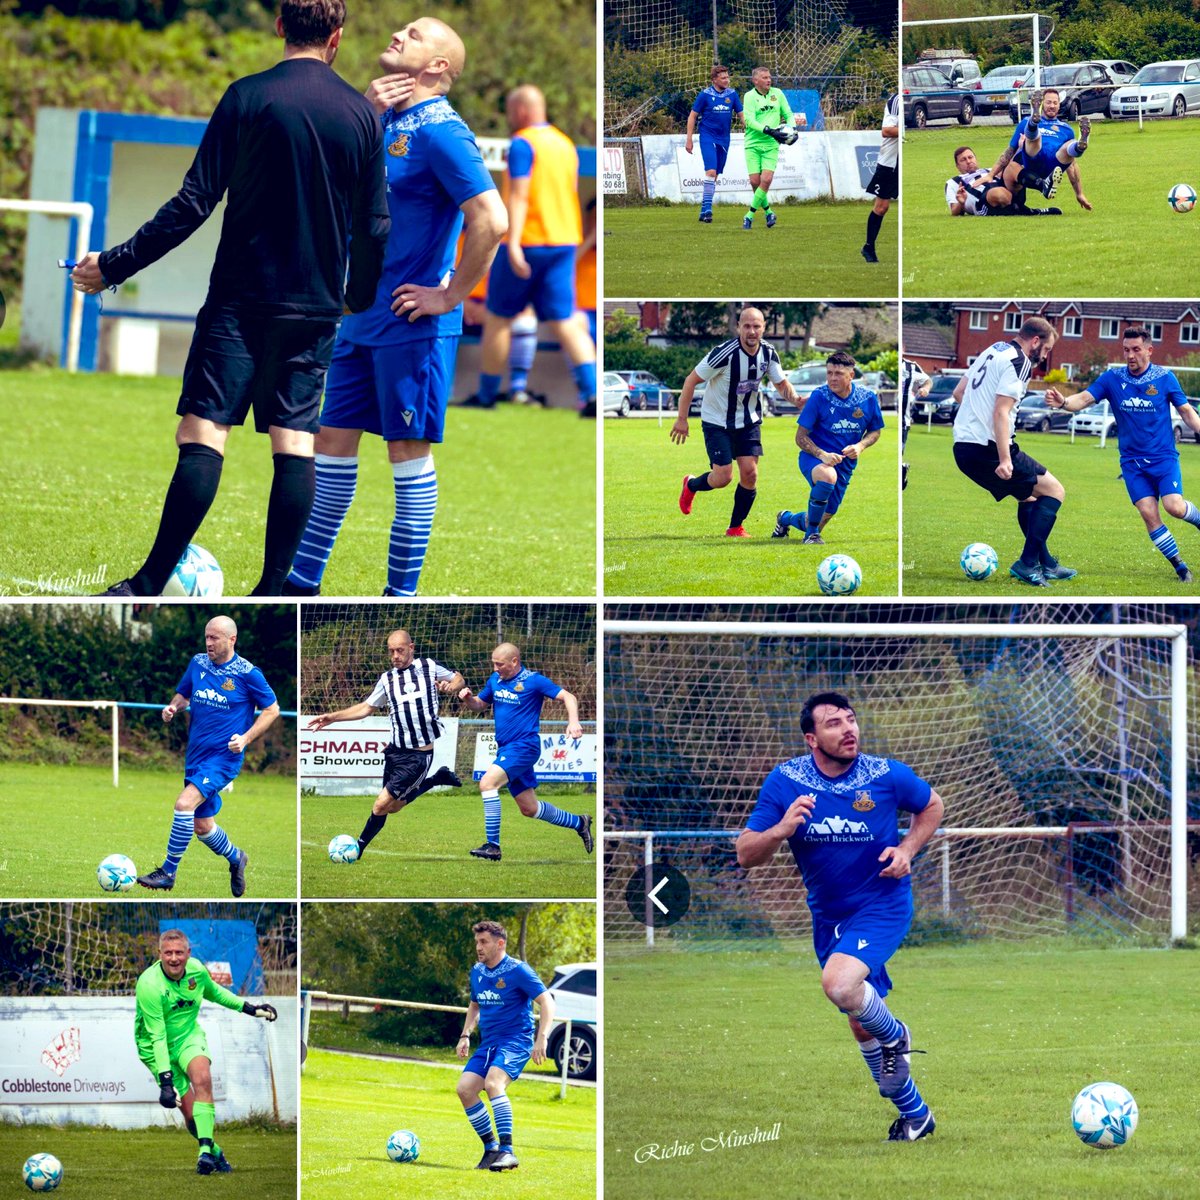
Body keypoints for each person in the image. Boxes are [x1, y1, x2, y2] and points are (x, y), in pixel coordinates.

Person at [76, 0, 390, 598]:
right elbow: (374, 225)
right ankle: (276, 590)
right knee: (295, 443)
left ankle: (146, 584)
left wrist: (114, 264)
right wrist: (356, 296)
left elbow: (192, 203)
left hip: (238, 304)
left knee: (202, 435)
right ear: (337, 37)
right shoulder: (362, 115)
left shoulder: (246, 97)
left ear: (279, 26)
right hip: (315, 309)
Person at [283, 16, 507, 598]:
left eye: (415, 33)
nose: (398, 34)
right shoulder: (381, 117)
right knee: (329, 447)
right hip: (357, 317)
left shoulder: (443, 132)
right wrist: (361, 110)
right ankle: (302, 584)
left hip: (413, 325)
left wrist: (451, 295)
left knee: (406, 456)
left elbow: (492, 219)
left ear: (438, 66)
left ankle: (400, 597)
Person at [737, 693, 944, 1142]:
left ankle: (898, 1034)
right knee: (857, 1016)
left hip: (883, 904)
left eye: (851, 720)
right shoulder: (786, 782)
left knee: (840, 986)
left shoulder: (885, 774)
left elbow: (932, 806)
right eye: (834, 723)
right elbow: (745, 853)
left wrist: (907, 850)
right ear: (812, 738)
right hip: (829, 919)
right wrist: (780, 830)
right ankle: (916, 1115)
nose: (848, 729)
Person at [464, 85, 597, 416]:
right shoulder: (565, 144)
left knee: (498, 318)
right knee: (565, 320)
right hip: (563, 241)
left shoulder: (523, 142)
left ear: (521, 111)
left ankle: (486, 395)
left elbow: (519, 196)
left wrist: (513, 244)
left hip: (528, 240)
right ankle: (592, 395)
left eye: (510, 111)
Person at [1045, 327, 1200, 582]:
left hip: (1163, 458)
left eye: (1136, 349)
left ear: (1149, 350)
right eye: (1126, 350)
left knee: (1174, 507)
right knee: (1149, 514)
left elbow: (1186, 411)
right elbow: (1083, 399)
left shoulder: (1165, 377)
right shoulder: (1112, 378)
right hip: (1132, 464)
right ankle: (1181, 567)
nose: (1130, 355)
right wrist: (1063, 402)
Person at [138, 616, 279, 892]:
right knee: (202, 826)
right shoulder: (198, 663)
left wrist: (246, 738)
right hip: (196, 756)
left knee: (183, 804)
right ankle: (237, 858)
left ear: (232, 639)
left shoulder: (248, 673)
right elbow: (183, 695)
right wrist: (172, 708)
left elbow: (272, 709)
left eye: (214, 638)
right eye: (206, 637)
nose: (209, 643)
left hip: (224, 759)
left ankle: (168, 872)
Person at [304, 628, 465, 859]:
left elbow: (458, 678)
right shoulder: (387, 679)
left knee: (381, 805)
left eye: (400, 650)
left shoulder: (429, 667)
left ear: (411, 648)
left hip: (418, 757)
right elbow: (366, 707)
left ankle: (356, 850)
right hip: (394, 752)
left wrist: (453, 686)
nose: (395, 656)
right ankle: (437, 779)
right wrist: (332, 717)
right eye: (391, 652)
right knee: (395, 807)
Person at [135, 927, 278, 1173]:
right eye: (168, 953)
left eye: (179, 952)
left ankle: (204, 1153)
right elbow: (157, 1036)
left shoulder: (197, 971)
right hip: (154, 1046)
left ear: (188, 953)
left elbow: (216, 993)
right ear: (159, 954)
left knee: (202, 1078)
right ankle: (216, 1151)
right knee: (191, 1118)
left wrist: (250, 1008)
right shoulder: (149, 984)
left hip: (188, 1037)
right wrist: (166, 1083)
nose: (173, 958)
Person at [950, 316, 1075, 587]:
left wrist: (975, 422)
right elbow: (1001, 410)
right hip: (989, 449)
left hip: (963, 447)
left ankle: (1047, 564)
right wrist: (1005, 458)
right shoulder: (1020, 362)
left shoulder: (992, 350)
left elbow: (959, 392)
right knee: (1055, 491)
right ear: (1035, 341)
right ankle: (1027, 564)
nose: (1046, 356)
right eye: (1047, 349)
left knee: (1030, 498)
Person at [457, 643, 592, 861]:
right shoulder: (495, 680)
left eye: (500, 664)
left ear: (514, 662)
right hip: (507, 748)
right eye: (493, 663)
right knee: (529, 809)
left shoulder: (533, 680)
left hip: (524, 746)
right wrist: (468, 699)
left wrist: (574, 722)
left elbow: (569, 697)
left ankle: (493, 846)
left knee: (487, 784)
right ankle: (579, 823)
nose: (495, 668)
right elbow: (479, 705)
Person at [672, 306, 793, 537]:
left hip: (748, 422)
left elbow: (781, 383)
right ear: (738, 327)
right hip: (717, 422)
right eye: (746, 326)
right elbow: (690, 381)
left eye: (756, 326)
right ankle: (691, 485)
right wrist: (681, 419)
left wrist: (797, 400)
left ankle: (735, 527)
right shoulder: (724, 353)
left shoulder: (768, 353)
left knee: (750, 474)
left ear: (763, 328)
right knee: (723, 477)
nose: (752, 331)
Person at [455, 920, 555, 1171]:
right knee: (465, 1089)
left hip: (516, 1040)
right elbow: (475, 1005)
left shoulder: (518, 970)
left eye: (484, 942)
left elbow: (547, 1002)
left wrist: (541, 1037)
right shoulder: (477, 971)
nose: (478, 947)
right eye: (477, 942)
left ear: (500, 944)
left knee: (493, 1084)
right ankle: (491, 1149)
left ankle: (508, 1152)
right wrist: (465, 1035)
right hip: (489, 1043)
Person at [772, 351, 884, 544]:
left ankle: (785, 519)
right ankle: (812, 536)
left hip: (845, 465)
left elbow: (875, 431)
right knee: (827, 476)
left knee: (819, 517)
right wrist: (822, 454)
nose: (832, 378)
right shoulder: (818, 397)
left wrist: (860, 445)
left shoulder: (868, 398)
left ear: (851, 376)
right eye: (829, 373)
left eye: (838, 374)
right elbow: (800, 437)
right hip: (814, 458)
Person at [988, 88, 1092, 212]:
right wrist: (991, 174)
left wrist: (1079, 193)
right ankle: (1034, 124)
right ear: (1042, 104)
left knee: (1069, 145)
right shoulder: (1023, 123)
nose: (1052, 106)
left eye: (1055, 103)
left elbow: (1072, 165)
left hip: (1054, 165)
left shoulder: (1066, 129)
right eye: (1048, 102)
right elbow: (1009, 151)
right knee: (1035, 139)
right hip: (1032, 162)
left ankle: (1079, 147)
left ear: (1059, 105)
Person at [740, 66, 806, 230]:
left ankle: (749, 216)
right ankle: (769, 212)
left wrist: (793, 129)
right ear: (756, 81)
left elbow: (788, 114)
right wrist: (769, 130)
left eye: (769, 77)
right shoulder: (749, 96)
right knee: (755, 182)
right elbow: (749, 121)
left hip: (771, 144)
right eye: (764, 78)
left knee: (766, 179)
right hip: (753, 144)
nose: (769, 80)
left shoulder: (778, 93)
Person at [685, 65, 743, 223]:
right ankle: (709, 209)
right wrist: (689, 138)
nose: (727, 80)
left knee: (715, 174)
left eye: (727, 77)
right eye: (723, 78)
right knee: (710, 172)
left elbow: (742, 116)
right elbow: (692, 116)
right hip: (707, 137)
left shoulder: (732, 95)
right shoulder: (704, 95)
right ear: (714, 80)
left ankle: (704, 210)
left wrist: (752, 129)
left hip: (724, 139)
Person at [945, 146, 1059, 217]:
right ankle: (1032, 212)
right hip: (984, 202)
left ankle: (1042, 185)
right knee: (998, 192)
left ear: (976, 158)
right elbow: (955, 212)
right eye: (963, 160)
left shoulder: (989, 171)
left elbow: (1007, 173)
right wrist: (961, 202)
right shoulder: (953, 182)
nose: (968, 161)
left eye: (970, 157)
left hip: (1008, 192)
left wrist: (1020, 147)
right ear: (957, 166)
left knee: (1012, 166)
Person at [862, 92, 899, 263]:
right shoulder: (896, 100)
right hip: (890, 162)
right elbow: (886, 130)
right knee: (882, 206)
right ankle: (869, 246)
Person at [900, 359, 932, 491]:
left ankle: (901, 470)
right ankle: (902, 468)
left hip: (903, 422)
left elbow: (928, 380)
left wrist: (925, 388)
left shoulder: (911, 366)